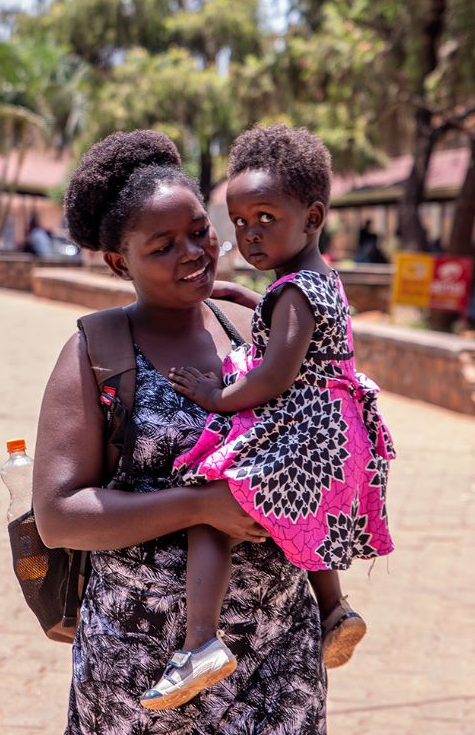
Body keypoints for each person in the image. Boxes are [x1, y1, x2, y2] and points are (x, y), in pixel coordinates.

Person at [33, 130, 327, 733]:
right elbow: (59, 514)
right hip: (145, 669)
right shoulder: (96, 353)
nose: (193, 252)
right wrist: (202, 505)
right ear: (121, 262)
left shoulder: (255, 325)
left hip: (278, 656)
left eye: (199, 230)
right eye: (163, 245)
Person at [142, 124, 395, 710]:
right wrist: (244, 297)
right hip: (338, 435)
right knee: (307, 522)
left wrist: (215, 397)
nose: (249, 234)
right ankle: (334, 608)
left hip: (303, 432)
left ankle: (200, 642)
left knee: (212, 499)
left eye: (265, 218)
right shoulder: (316, 279)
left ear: (312, 217)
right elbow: (297, 324)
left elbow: (274, 375)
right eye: (238, 221)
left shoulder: (293, 293)